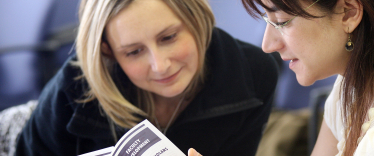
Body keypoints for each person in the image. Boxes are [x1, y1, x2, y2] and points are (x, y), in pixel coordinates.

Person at [201, 0, 374, 155]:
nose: (268, 44)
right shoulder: (355, 85)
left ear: (349, 12)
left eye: (282, 21)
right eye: (267, 21)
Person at [14, 0, 279, 155]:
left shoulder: (254, 74)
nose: (160, 66)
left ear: (196, 20)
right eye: (134, 52)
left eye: (169, 37)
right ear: (108, 52)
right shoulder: (74, 85)